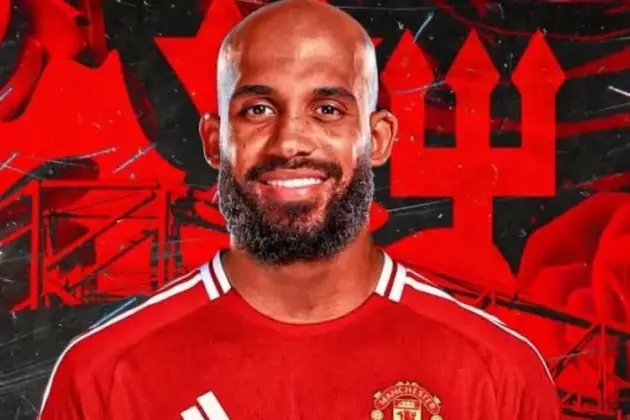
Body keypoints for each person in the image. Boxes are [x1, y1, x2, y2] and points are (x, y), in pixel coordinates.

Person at [39, 1, 561, 419]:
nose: (290, 141)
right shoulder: (102, 375)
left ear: (378, 138)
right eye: (258, 109)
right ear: (215, 140)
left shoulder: (499, 373)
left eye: (328, 109)